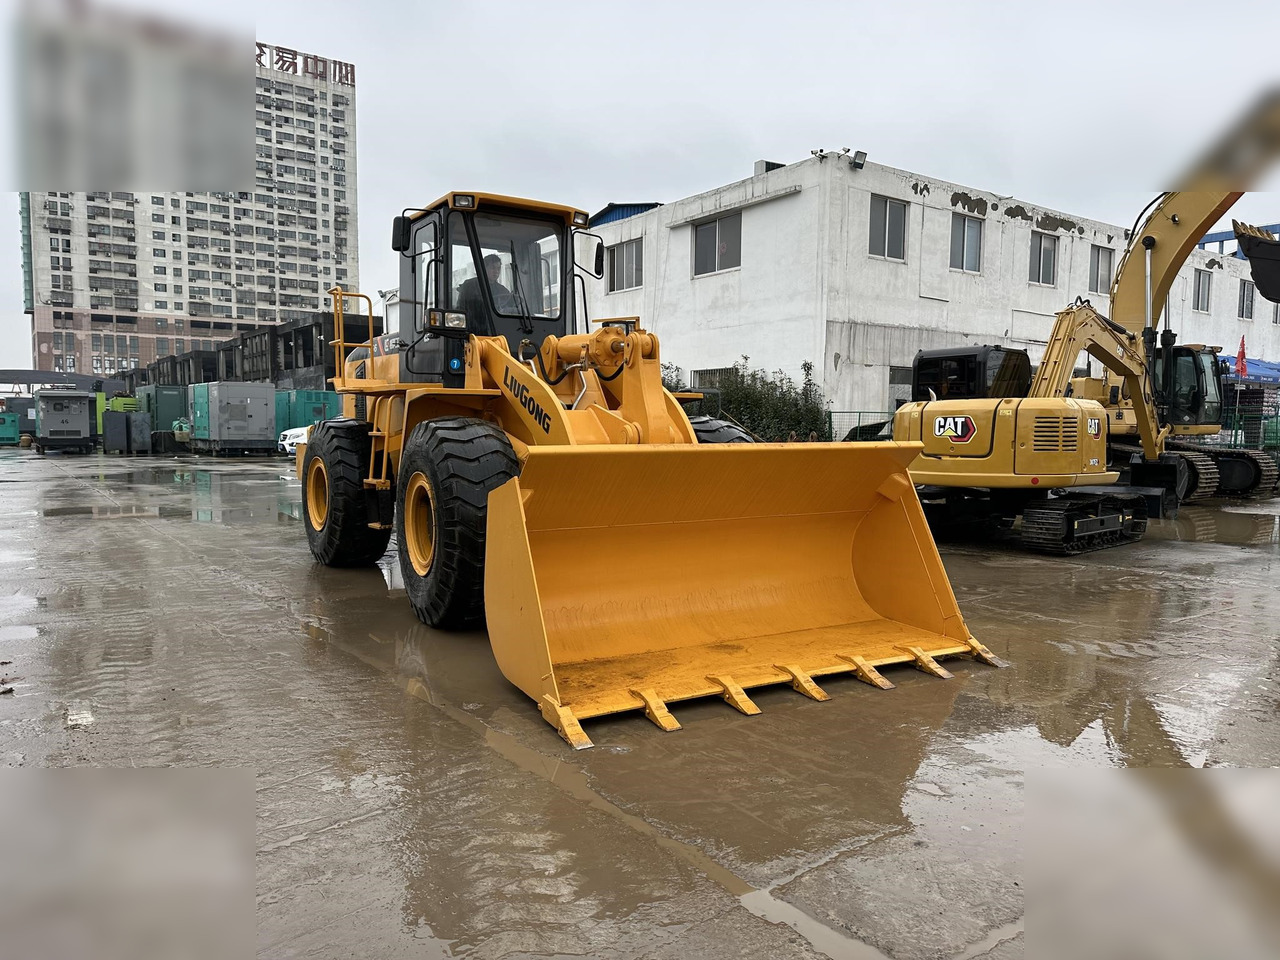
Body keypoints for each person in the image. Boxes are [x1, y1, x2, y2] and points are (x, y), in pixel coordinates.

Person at [456, 254, 514, 325]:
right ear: (484, 268)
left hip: (495, 326)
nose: (496, 271)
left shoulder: (503, 290)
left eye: (498, 268)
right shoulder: (469, 285)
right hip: (472, 326)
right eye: (493, 268)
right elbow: (460, 309)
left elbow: (507, 310)